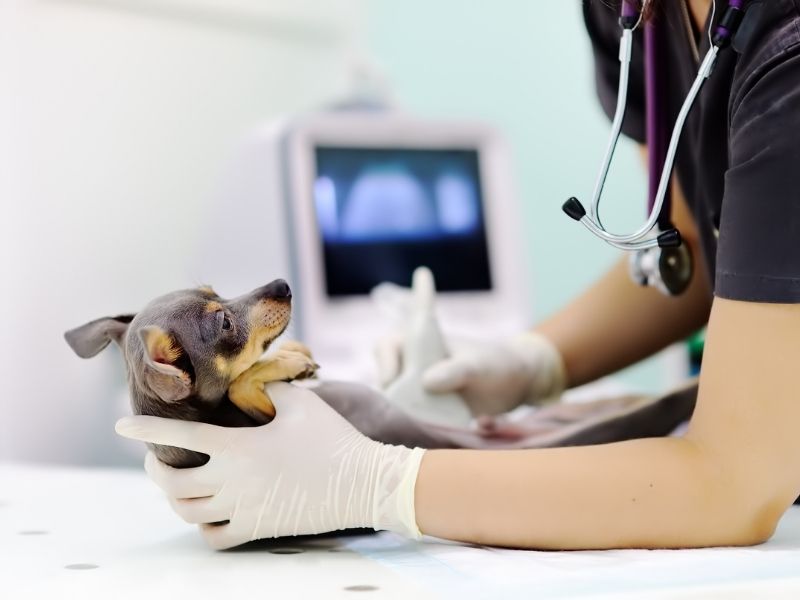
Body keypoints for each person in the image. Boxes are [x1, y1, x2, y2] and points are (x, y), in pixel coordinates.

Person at [116, 0, 800, 550]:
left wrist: (381, 486)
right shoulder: (632, 10)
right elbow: (699, 250)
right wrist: (534, 361)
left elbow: (733, 481)